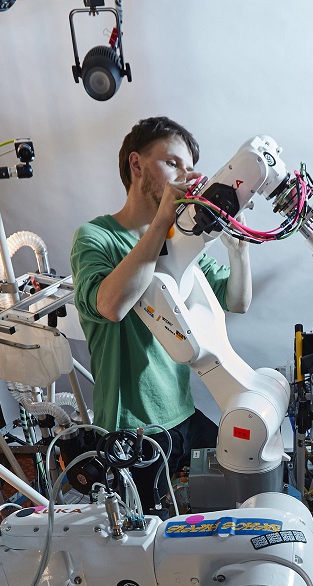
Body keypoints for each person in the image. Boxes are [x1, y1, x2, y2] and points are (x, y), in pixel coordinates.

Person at [71, 117, 251, 479]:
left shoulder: (180, 240)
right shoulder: (96, 237)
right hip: (131, 430)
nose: (186, 176)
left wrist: (239, 249)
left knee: (241, 477)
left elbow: (237, 302)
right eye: (172, 163)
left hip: (183, 415)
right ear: (136, 165)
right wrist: (162, 221)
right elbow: (111, 306)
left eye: (189, 168)